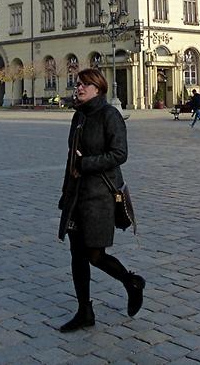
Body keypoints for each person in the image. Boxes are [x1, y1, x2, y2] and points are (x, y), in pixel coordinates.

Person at [57, 69, 144, 333]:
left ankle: (131, 282)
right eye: (78, 84)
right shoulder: (79, 116)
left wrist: (87, 163)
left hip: (99, 195)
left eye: (85, 84)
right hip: (76, 195)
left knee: (95, 254)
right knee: (76, 255)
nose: (79, 88)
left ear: (98, 88)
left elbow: (119, 153)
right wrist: (65, 192)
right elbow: (72, 158)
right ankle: (85, 311)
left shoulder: (110, 115)